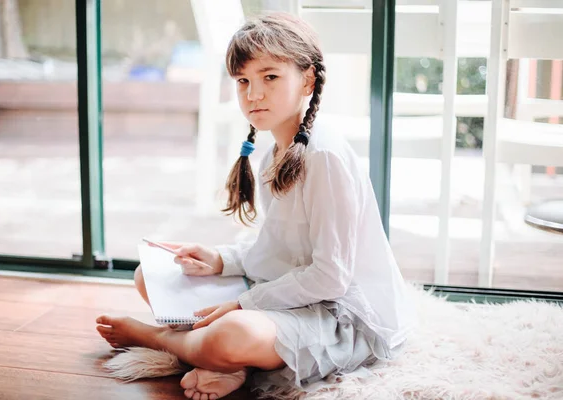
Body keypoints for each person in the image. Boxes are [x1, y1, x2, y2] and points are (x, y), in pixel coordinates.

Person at [96, 12, 415, 400]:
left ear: (308, 80)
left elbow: (331, 278)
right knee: (152, 276)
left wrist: (243, 304)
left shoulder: (324, 155)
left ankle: (159, 338)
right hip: (291, 292)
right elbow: (281, 248)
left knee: (233, 333)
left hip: (340, 316)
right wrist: (221, 260)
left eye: (270, 77)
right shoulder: (275, 154)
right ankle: (228, 361)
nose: (253, 94)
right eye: (243, 81)